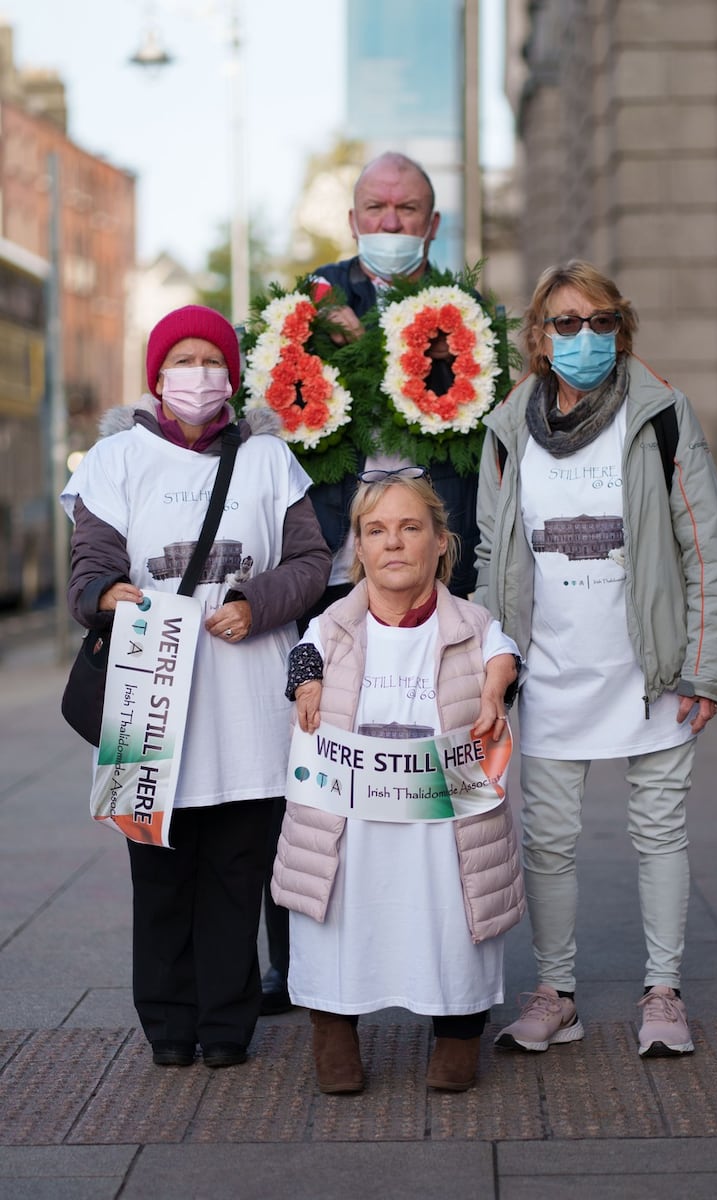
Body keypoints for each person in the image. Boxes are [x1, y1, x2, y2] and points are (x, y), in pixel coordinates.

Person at [473, 260, 717, 1059]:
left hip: (650, 668)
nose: (582, 338)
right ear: (538, 336)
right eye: (564, 323)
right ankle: (556, 994)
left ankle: (664, 991)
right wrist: (494, 665)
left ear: (620, 329)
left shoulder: (659, 416)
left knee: (659, 830)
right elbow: (494, 552)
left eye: (598, 323)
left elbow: (706, 546)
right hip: (550, 671)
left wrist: (707, 664)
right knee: (548, 840)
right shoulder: (508, 427)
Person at [61, 305, 331, 1070]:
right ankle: (169, 1026)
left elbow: (311, 561)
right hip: (152, 702)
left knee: (237, 874)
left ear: (232, 375)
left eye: (212, 360)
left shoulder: (269, 461)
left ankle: (226, 1027)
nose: (198, 375)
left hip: (248, 708)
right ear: (156, 374)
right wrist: (108, 594)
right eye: (181, 359)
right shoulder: (115, 461)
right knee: (161, 875)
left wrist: (257, 604)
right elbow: (91, 559)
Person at [260, 149, 486, 1017]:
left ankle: (460, 973)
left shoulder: (469, 314)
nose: (391, 223)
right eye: (376, 207)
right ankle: (303, 965)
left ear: (433, 222)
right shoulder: (307, 308)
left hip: (436, 581)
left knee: (451, 766)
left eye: (409, 208)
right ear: (354, 218)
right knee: (318, 768)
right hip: (329, 580)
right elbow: (274, 430)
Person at [271, 467, 526, 1093]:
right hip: (347, 815)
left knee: (449, 916)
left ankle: (457, 1035)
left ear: (441, 542)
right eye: (376, 530)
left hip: (445, 813)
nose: (393, 542)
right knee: (338, 919)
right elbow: (302, 654)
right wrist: (306, 682)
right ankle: (334, 1038)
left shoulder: (471, 620)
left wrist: (495, 687)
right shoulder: (332, 624)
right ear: (358, 547)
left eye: (411, 528)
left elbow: (503, 653)